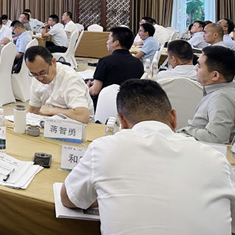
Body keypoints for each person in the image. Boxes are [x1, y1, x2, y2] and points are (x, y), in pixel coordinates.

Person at [61, 79, 235, 235]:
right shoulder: (217, 161)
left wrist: (102, 195)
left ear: (122, 122)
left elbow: (69, 198)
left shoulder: (103, 149)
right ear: (174, 118)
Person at [177, 46, 235, 143]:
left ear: (215, 75)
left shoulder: (221, 98)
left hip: (200, 147)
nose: (196, 69)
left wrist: (186, 131)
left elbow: (216, 138)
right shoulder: (221, 91)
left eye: (199, 66)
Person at [24, 45, 93, 123]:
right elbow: (33, 110)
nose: (40, 78)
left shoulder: (70, 78)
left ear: (53, 62)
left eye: (43, 73)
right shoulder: (37, 77)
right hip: (52, 122)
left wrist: (51, 110)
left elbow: (83, 116)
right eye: (34, 74)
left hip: (80, 125)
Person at [88, 27, 144, 102]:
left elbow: (95, 91)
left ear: (116, 43)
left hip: (106, 103)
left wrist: (87, 88)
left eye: (109, 39)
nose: (107, 42)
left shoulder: (105, 61)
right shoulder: (138, 63)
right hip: (129, 103)